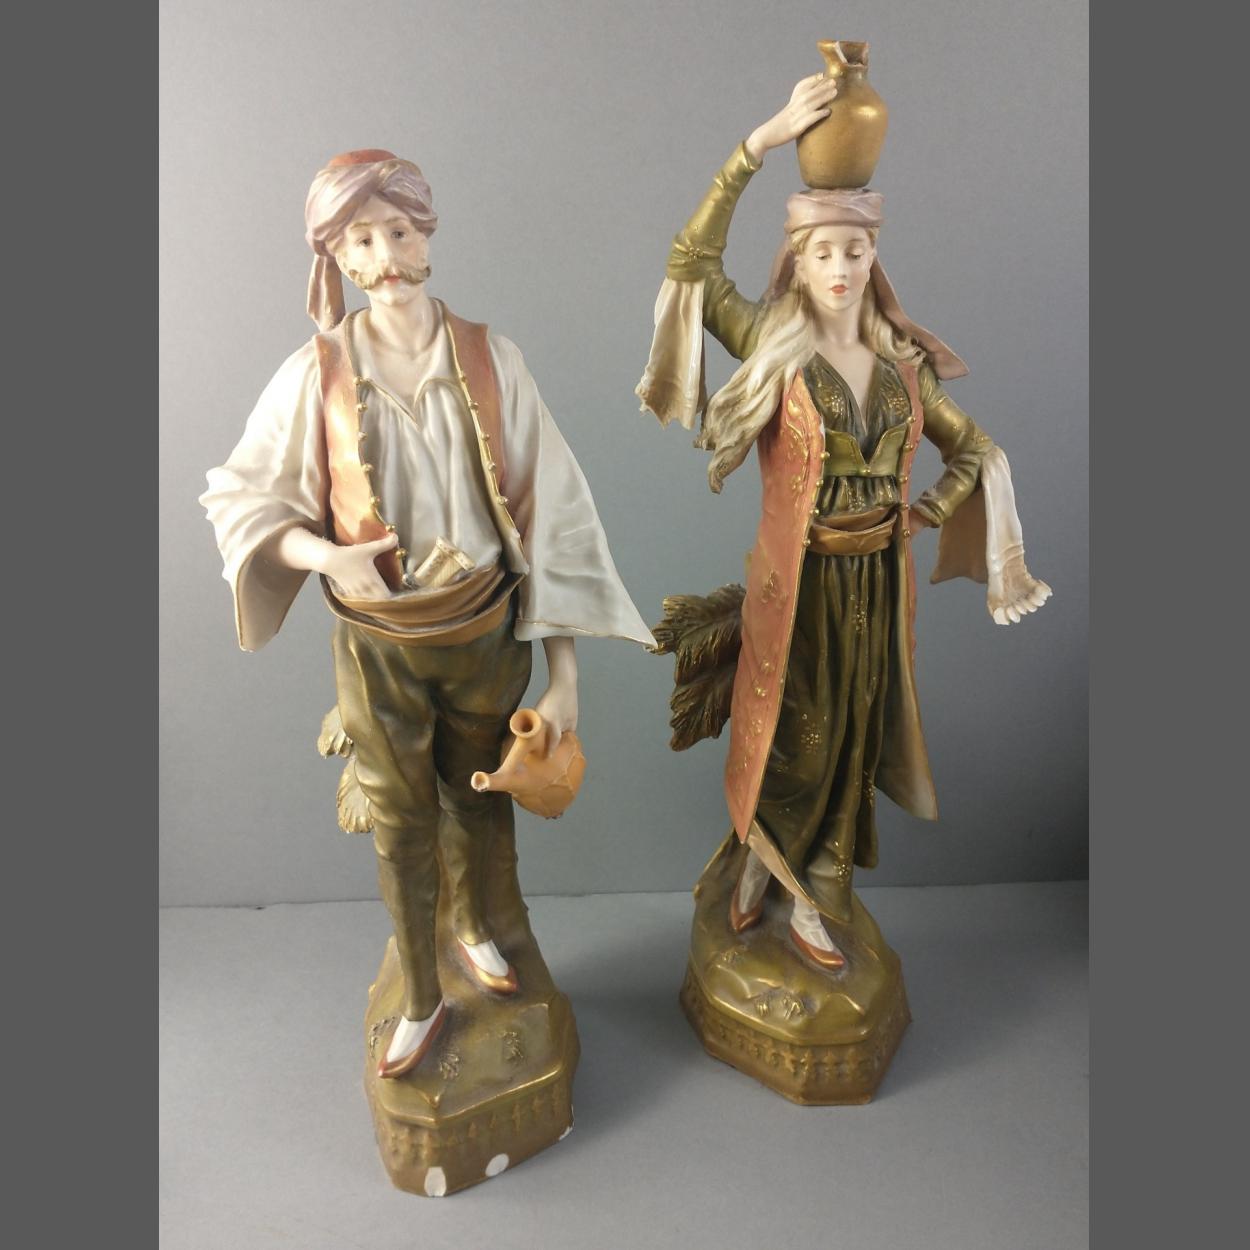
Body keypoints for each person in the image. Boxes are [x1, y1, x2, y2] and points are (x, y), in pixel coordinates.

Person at [203, 149, 653, 1078]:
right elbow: (240, 494)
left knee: (477, 798)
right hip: (381, 649)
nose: (386, 258)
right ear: (339, 258)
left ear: (427, 235)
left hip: (485, 633)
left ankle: (474, 924)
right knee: (401, 823)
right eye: (362, 241)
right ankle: (418, 992)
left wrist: (565, 674)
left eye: (399, 232)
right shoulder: (317, 372)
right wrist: (325, 555)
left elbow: (554, 515)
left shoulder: (490, 358)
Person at [638, 78, 1049, 969]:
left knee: (854, 737)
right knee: (792, 734)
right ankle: (763, 855)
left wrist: (927, 512)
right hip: (797, 582)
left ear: (874, 258)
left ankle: (814, 896)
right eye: (822, 250)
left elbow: (975, 449)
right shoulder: (771, 342)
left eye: (854, 250)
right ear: (798, 257)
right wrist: (756, 147)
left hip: (876, 583)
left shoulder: (904, 366)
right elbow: (691, 266)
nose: (839, 268)